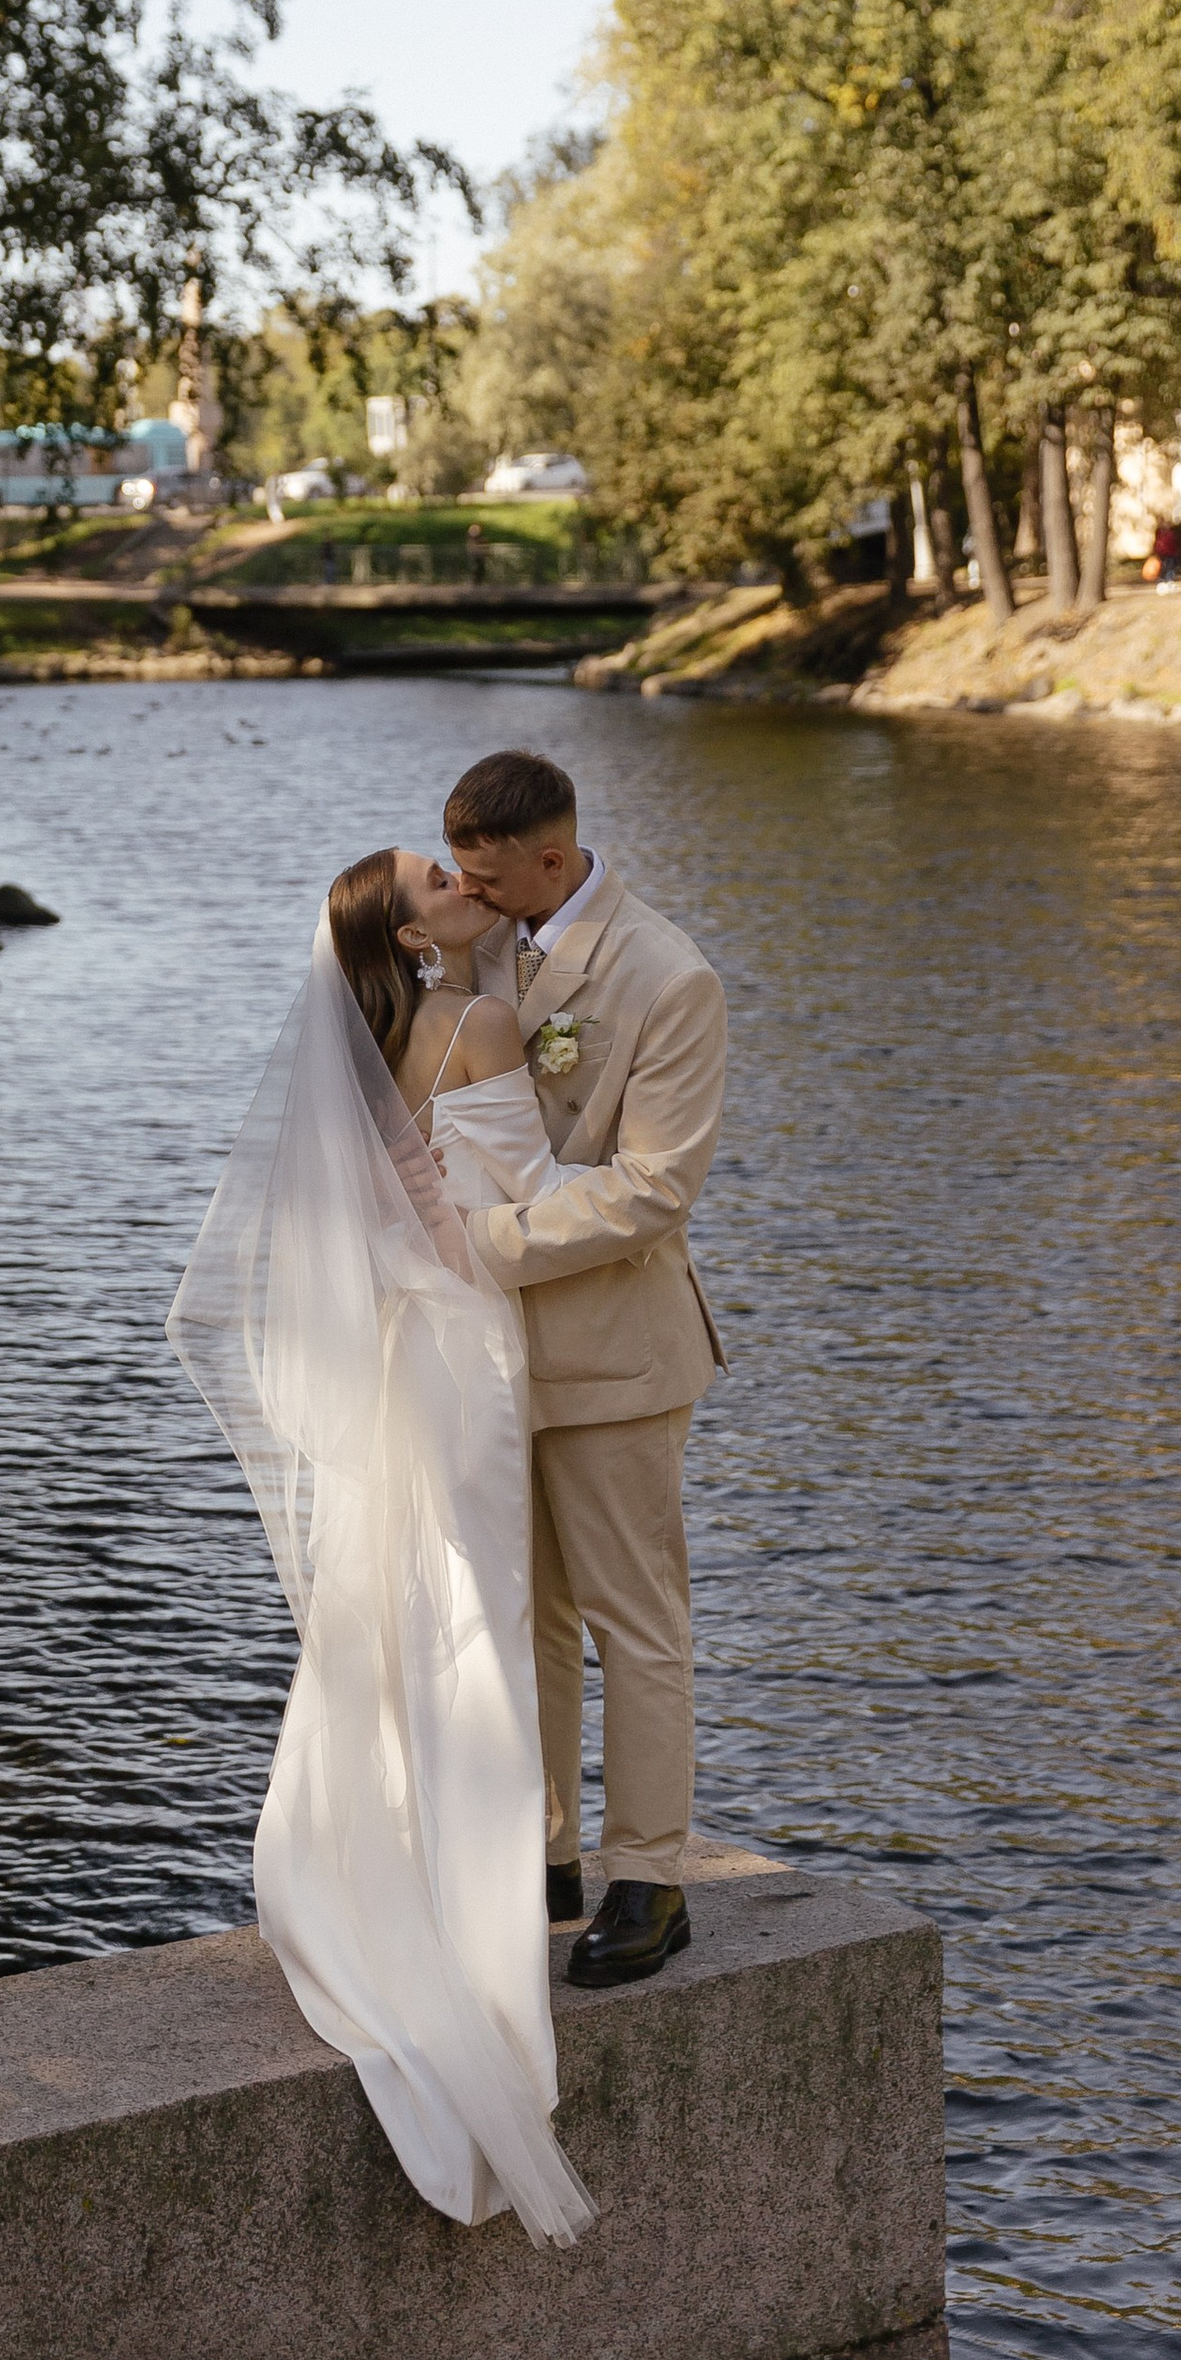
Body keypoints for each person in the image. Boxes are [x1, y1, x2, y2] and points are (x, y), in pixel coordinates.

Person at [167, 845, 596, 2246]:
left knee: (408, 1601)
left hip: (409, 1348)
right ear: (409, 933)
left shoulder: (381, 1035)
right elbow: (515, 1210)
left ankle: (369, 1848)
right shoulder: (471, 1024)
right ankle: (462, 1887)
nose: (464, 877)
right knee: (470, 1603)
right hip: (468, 1348)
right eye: (436, 880)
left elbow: (383, 1218)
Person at [442, 748, 726, 1990]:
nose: (472, 896)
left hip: (615, 1354)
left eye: (489, 876)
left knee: (635, 1626)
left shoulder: (670, 978)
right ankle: (547, 1857)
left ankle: (650, 1882)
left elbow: (654, 1189)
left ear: (551, 860)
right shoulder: (483, 943)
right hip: (499, 1357)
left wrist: (471, 1247)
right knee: (532, 1622)